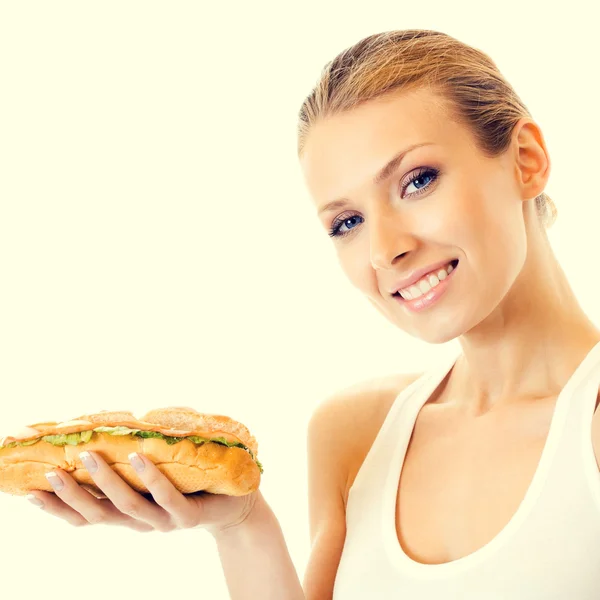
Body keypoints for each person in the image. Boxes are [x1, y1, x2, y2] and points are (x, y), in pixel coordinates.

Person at [24, 28, 600, 599]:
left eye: (417, 182)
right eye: (347, 223)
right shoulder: (357, 431)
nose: (384, 250)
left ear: (527, 160)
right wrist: (241, 525)